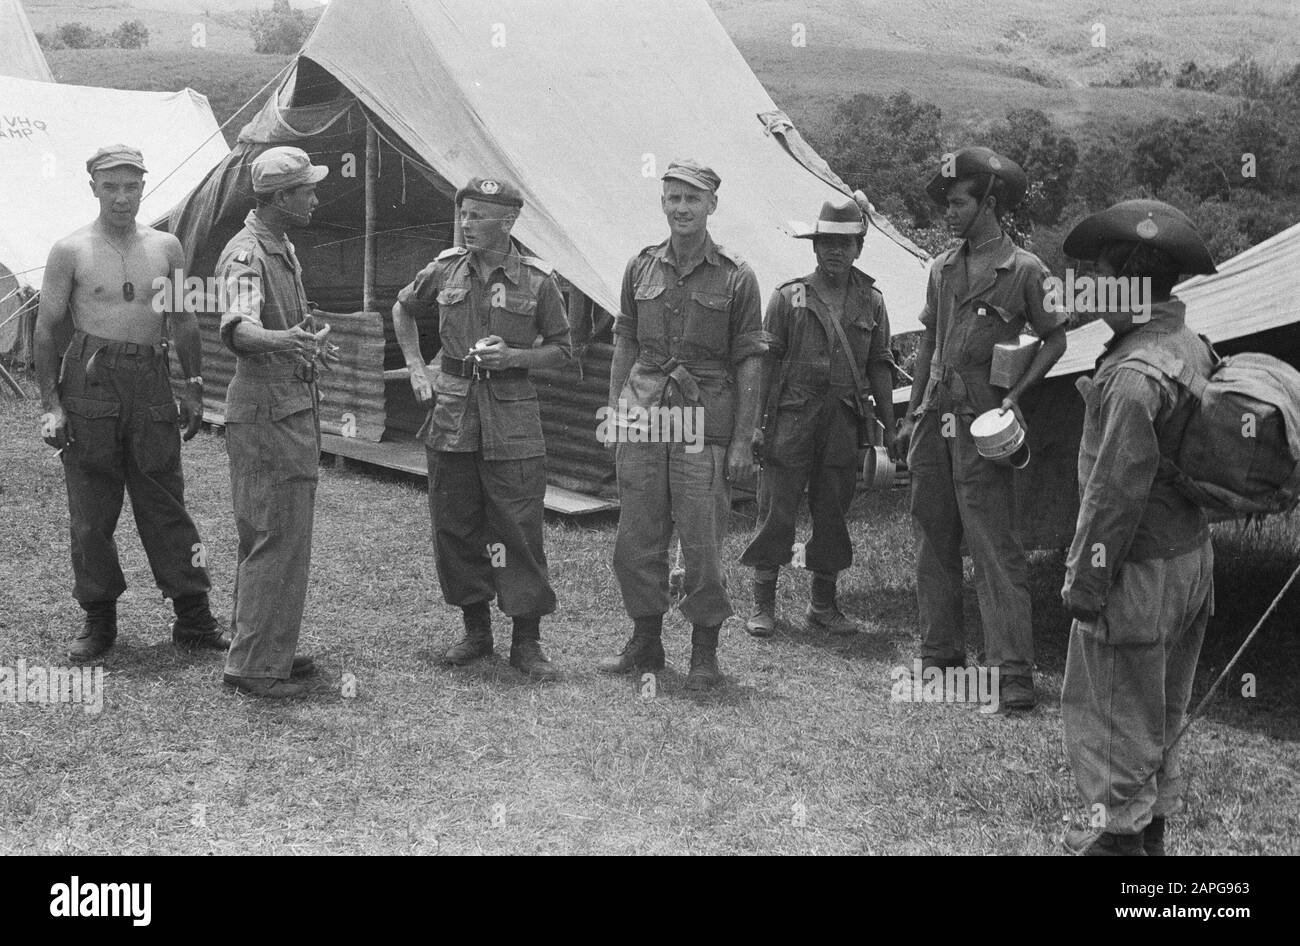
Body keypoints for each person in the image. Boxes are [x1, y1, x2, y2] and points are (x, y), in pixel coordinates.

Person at [1059, 200, 1218, 856]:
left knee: (1112, 739)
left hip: (1137, 572)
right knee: (1158, 728)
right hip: (1189, 563)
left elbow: (1112, 500)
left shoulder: (1130, 377)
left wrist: (1082, 586)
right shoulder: (1187, 345)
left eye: (1098, 273)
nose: (1089, 286)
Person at [34, 144, 225, 661]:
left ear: (144, 187)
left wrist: (195, 383)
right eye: (111, 186)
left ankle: (193, 616)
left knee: (165, 499)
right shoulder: (70, 250)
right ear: (93, 186)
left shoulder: (167, 246)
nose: (122, 197)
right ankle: (99, 620)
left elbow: (183, 318)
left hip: (151, 381)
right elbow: (48, 326)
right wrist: (51, 403)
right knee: (92, 509)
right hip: (90, 381)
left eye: (132, 186)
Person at [894, 147, 1068, 711]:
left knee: (994, 545)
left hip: (984, 422)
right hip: (935, 419)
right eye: (947, 202)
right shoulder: (941, 267)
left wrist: (1016, 398)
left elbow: (1056, 338)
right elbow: (928, 341)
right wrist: (914, 409)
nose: (950, 212)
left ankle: (1012, 671)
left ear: (990, 203)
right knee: (932, 535)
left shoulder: (1026, 270)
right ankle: (940, 651)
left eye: (960, 201)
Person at [393, 176, 572, 681]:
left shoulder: (539, 281)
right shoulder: (445, 269)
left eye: (477, 215)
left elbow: (563, 350)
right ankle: (475, 631)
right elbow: (403, 307)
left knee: (518, 526)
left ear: (508, 221)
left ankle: (527, 641)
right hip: (452, 415)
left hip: (512, 416)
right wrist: (414, 365)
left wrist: (514, 355)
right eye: (464, 214)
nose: (466, 223)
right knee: (456, 523)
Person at [599, 159, 766, 690]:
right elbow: (625, 340)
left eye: (692, 200)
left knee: (702, 541)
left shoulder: (736, 274)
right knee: (637, 537)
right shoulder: (640, 266)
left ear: (712, 205)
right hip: (644, 415)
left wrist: (742, 439)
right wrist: (614, 415)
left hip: (703, 420)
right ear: (663, 203)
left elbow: (750, 360)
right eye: (673, 198)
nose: (681, 209)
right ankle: (645, 642)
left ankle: (704, 651)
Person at [741, 198, 895, 637]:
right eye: (827, 242)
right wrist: (755, 423)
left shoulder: (872, 301)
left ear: (859, 248)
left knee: (833, 511)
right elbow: (767, 362)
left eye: (845, 243)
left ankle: (823, 605)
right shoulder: (789, 297)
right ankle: (763, 604)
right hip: (792, 415)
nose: (835, 251)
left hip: (843, 419)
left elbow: (879, 365)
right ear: (814, 247)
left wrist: (889, 424)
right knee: (776, 508)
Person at [217, 146, 333, 699]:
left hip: (285, 407)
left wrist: (303, 341)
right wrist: (286, 339)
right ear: (280, 198)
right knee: (273, 534)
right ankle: (256, 665)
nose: (315, 196)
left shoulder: (281, 246)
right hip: (267, 414)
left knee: (278, 534)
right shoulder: (247, 255)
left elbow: (282, 326)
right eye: (307, 189)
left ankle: (268, 645)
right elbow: (240, 329)